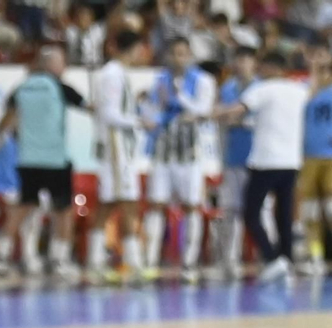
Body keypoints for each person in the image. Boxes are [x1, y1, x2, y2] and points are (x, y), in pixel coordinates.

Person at [0, 45, 86, 280]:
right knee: (63, 210)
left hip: (28, 159)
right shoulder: (61, 88)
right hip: (55, 159)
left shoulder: (21, 89)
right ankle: (59, 260)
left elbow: (6, 121)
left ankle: (2, 257)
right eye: (62, 63)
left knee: (22, 207)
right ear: (52, 65)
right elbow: (88, 106)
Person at [218, 50, 308, 281]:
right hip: (291, 161)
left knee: (250, 213)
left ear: (269, 68)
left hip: (266, 161)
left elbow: (238, 109)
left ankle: (271, 257)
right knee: (284, 215)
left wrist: (210, 114)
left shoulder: (261, 89)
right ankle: (286, 260)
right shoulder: (299, 90)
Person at [140, 36, 215, 283]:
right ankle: (150, 261)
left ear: (190, 54)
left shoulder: (203, 80)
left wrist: (178, 96)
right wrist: (149, 110)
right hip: (164, 152)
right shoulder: (159, 80)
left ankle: (189, 263)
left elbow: (202, 111)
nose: (178, 58)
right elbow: (153, 111)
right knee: (156, 204)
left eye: (183, 53)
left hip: (189, 153)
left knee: (192, 204)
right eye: (174, 53)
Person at [88, 30, 148, 283]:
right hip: (116, 149)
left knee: (112, 202)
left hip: (121, 147)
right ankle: (131, 263)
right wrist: (138, 121)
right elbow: (109, 113)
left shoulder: (117, 74)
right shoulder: (112, 75)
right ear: (133, 49)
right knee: (124, 201)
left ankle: (98, 261)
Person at [213, 46, 257, 279]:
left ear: (254, 63)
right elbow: (218, 114)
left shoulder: (261, 87)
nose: (241, 65)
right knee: (231, 210)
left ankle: (265, 257)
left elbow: (255, 119)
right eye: (238, 60)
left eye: (246, 60)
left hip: (258, 158)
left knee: (261, 210)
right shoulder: (228, 87)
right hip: (232, 157)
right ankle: (230, 260)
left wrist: (235, 118)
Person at [296, 45, 332, 276]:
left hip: (330, 157)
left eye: (322, 56)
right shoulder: (302, 88)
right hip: (307, 156)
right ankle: (315, 256)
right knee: (309, 211)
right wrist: (314, 80)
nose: (317, 60)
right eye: (313, 56)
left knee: (330, 209)